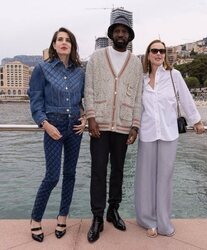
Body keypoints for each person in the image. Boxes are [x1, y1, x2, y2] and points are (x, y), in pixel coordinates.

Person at [135, 39, 205, 238]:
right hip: (147, 133)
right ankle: (148, 221)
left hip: (168, 133)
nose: (158, 54)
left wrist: (196, 120)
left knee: (165, 178)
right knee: (146, 179)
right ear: (148, 54)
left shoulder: (174, 76)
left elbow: (185, 98)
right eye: (155, 50)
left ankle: (164, 222)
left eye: (162, 51)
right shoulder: (141, 80)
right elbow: (136, 107)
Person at [84, 15, 143, 243]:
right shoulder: (97, 58)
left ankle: (113, 210)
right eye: (117, 31)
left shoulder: (136, 63)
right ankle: (97, 217)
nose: (121, 34)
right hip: (99, 124)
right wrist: (91, 118)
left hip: (123, 125)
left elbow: (138, 96)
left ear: (129, 36)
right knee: (98, 171)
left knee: (118, 170)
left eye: (124, 31)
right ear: (111, 34)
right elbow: (88, 89)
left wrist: (135, 126)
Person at [28, 27, 86, 242]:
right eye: (59, 39)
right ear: (53, 44)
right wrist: (44, 124)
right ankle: (35, 220)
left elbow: (83, 99)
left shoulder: (80, 72)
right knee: (52, 176)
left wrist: (85, 119)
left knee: (70, 175)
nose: (63, 42)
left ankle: (63, 216)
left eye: (67, 40)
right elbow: (35, 99)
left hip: (75, 129)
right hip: (53, 127)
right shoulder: (42, 69)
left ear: (72, 45)